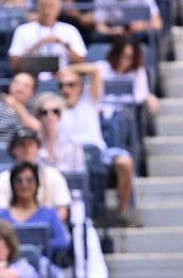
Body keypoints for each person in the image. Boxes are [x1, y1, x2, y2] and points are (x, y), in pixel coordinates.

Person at [56, 62, 139, 226]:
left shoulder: (90, 98)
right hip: (69, 159)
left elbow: (94, 70)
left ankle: (122, 212)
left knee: (125, 162)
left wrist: (68, 69)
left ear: (80, 86)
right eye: (62, 85)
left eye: (71, 84)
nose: (66, 89)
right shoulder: (53, 107)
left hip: (99, 154)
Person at [0, 161, 71, 260]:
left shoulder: (50, 214)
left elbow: (62, 242)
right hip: (6, 266)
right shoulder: (0, 217)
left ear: (37, 184)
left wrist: (37, 248)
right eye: (19, 180)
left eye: (30, 180)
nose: (24, 185)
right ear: (12, 185)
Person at [0, 127, 72, 222]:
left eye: (30, 145)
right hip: (12, 231)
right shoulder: (4, 178)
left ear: (38, 148)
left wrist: (50, 226)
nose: (27, 149)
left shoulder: (53, 175)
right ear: (13, 150)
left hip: (46, 231)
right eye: (21, 145)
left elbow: (63, 209)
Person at [8, 0, 87, 73]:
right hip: (32, 74)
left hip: (63, 75)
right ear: (38, 8)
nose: (47, 12)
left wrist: (64, 44)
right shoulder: (23, 30)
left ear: (58, 9)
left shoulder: (70, 30)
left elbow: (81, 61)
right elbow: (14, 64)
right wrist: (37, 45)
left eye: (51, 7)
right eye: (43, 7)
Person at [0, 72, 40, 148]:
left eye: (26, 85)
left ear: (33, 93)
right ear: (10, 86)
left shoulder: (35, 109)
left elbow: (39, 129)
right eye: (17, 83)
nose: (20, 87)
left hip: (25, 150)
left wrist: (18, 107)